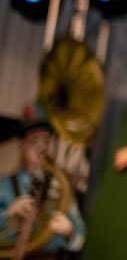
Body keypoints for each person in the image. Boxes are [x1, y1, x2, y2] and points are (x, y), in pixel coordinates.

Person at [0, 107, 86, 259]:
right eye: (34, 141)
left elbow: (80, 232)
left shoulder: (60, 185)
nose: (41, 147)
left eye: (46, 140)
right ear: (23, 144)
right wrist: (9, 214)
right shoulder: (5, 185)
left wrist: (69, 231)